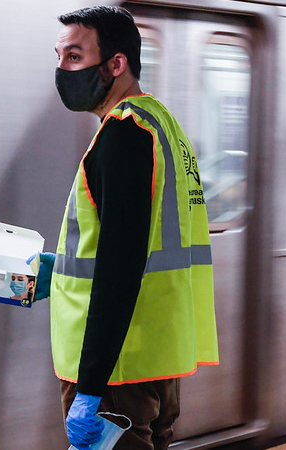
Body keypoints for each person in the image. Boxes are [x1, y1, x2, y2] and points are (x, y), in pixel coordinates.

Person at [31, 6, 219, 450]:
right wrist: (62, 270)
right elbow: (138, 240)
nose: (62, 71)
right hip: (154, 357)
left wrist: (91, 386)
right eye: (59, 57)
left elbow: (119, 268)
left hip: (118, 372)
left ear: (116, 64)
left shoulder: (122, 136)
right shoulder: (160, 123)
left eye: (75, 57)